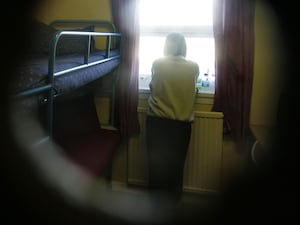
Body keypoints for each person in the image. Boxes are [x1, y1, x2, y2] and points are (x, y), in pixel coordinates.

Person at [146, 32, 199, 204]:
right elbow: (193, 90)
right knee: (176, 169)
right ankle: (173, 206)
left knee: (156, 169)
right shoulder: (194, 67)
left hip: (157, 122)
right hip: (181, 126)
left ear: (166, 45)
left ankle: (153, 207)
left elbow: (153, 87)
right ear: (184, 47)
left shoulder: (158, 63)